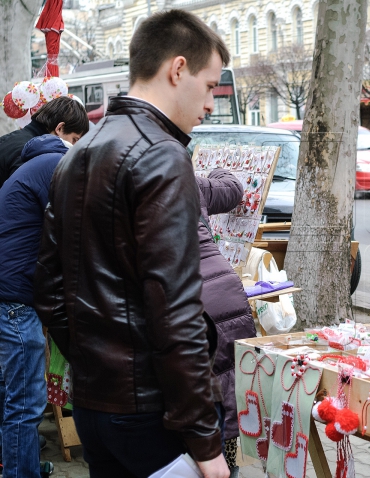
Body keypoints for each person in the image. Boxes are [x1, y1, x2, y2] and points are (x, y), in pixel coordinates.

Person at [33, 9, 231, 478]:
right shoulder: (163, 156)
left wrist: (94, 362)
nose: (210, 104)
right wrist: (207, 445)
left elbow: (48, 288)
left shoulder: (78, 152)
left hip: (97, 407)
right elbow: (176, 311)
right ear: (177, 69)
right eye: (209, 86)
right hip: (151, 414)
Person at [0, 99, 89, 478]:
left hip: (8, 290)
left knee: (12, 396)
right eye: (75, 139)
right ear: (61, 133)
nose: (78, 149)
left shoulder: (30, 163)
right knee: (25, 402)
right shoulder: (55, 164)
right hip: (16, 297)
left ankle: (21, 466)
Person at [195, 169, 256, 476]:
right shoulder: (185, 178)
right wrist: (216, 171)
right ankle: (223, 460)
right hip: (220, 294)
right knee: (224, 382)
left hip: (192, 302)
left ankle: (215, 460)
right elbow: (232, 187)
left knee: (206, 387)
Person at [0, 96, 87, 188]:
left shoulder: (9, 139)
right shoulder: (32, 153)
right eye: (74, 139)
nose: (73, 147)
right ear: (60, 128)